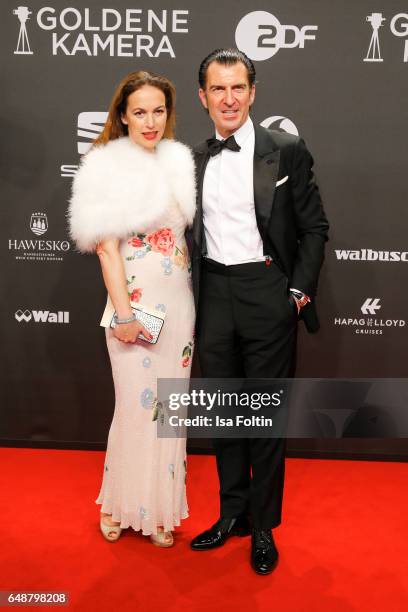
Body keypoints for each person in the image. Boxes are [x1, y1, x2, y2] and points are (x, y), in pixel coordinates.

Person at [189, 49, 329, 573]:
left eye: (238, 88)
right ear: (203, 97)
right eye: (218, 89)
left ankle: (264, 526)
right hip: (213, 296)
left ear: (253, 92)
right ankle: (232, 515)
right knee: (225, 412)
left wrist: (296, 293)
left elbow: (314, 228)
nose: (229, 98)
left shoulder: (287, 150)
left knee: (264, 416)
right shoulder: (193, 157)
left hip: (266, 291)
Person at [68, 71, 196, 547]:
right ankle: (121, 505)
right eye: (139, 112)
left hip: (179, 309)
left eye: (158, 111)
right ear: (122, 115)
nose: (150, 121)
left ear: (169, 112)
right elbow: (106, 248)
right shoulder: (106, 167)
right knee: (134, 408)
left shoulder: (179, 162)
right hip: (135, 306)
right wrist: (123, 313)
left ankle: (161, 510)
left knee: (168, 412)